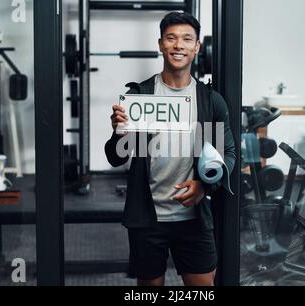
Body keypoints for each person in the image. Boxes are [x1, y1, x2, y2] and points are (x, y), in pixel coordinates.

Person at [105, 12, 235, 286]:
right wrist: (120, 133)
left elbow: (227, 155)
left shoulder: (209, 102)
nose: (179, 45)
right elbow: (116, 157)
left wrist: (204, 186)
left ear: (197, 47)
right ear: (161, 44)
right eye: (171, 38)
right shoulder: (139, 96)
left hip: (194, 218)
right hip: (148, 219)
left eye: (187, 39)